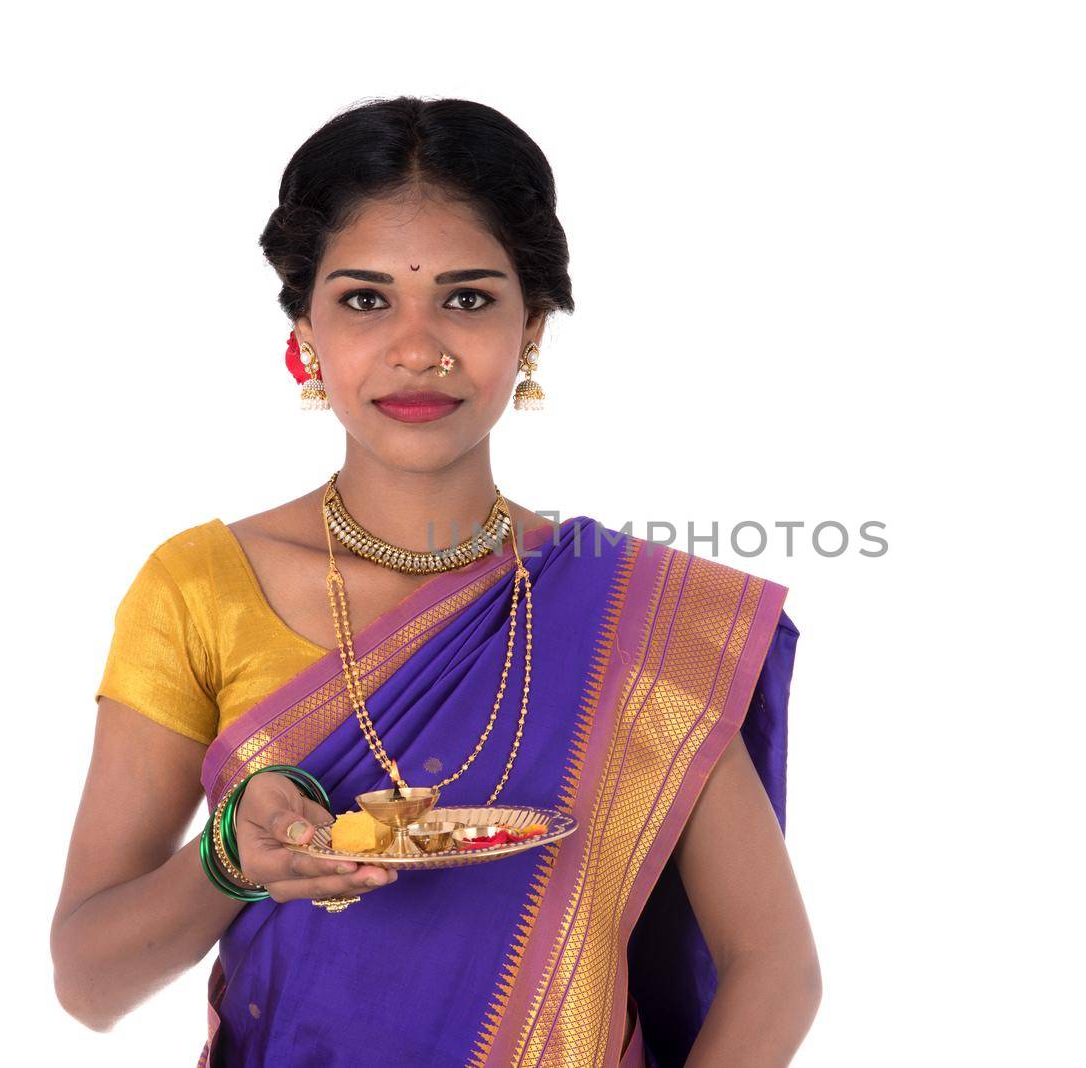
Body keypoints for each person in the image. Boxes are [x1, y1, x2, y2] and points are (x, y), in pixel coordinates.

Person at [50, 96, 820, 1068]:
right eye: (366, 299)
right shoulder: (201, 587)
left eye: (467, 297)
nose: (418, 347)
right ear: (305, 332)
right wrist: (227, 863)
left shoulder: (631, 611)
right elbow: (87, 982)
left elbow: (775, 968)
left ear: (530, 328)